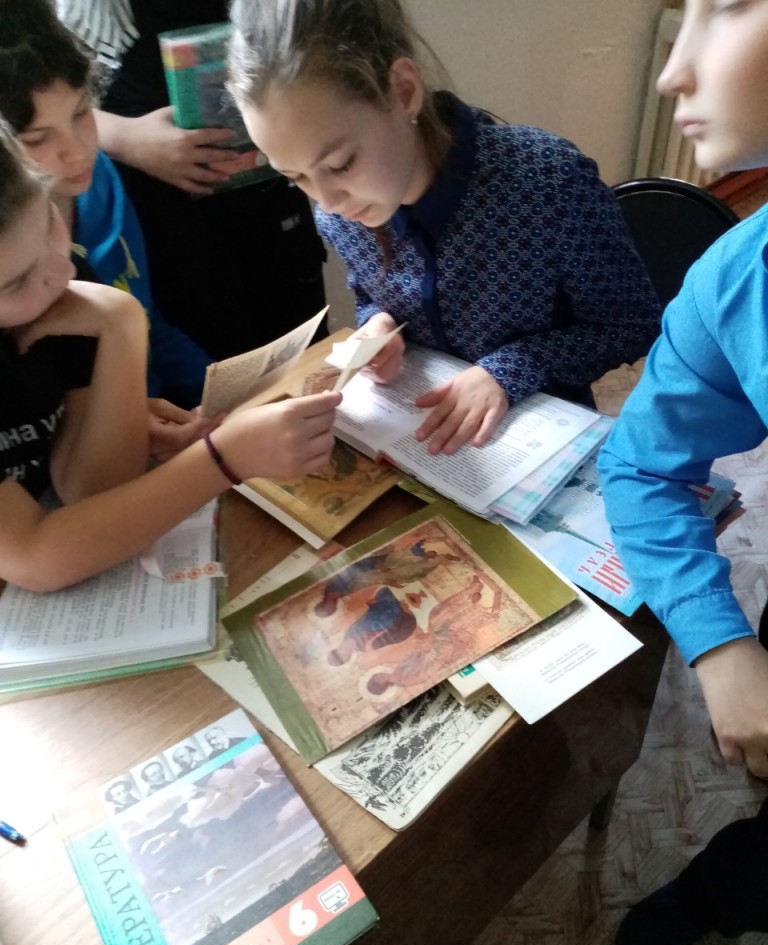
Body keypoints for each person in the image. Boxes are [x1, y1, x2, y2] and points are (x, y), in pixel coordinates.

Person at [226, 0, 661, 456]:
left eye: (340, 164)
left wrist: (508, 370)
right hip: (417, 438)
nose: (327, 202)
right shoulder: (341, 216)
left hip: (537, 441)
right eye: (295, 177)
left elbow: (633, 324)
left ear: (404, 91)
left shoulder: (548, 182)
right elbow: (373, 295)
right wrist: (378, 325)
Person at [597, 1, 768, 945]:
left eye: (727, 6)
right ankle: (727, 888)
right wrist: (721, 642)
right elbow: (641, 463)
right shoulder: (739, 274)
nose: (672, 71)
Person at [0, 119, 340, 593]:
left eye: (50, 224)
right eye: (16, 281)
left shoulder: (60, 287)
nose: (61, 273)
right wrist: (224, 459)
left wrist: (121, 322)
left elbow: (93, 489)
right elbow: (36, 558)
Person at [56, 0, 328, 362]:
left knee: (307, 354)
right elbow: (26, 100)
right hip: (160, 209)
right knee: (211, 364)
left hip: (268, 187)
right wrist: (125, 138)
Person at [0, 2, 214, 459]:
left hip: (150, 429)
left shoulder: (101, 184)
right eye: (37, 139)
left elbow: (148, 322)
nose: (79, 153)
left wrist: (223, 397)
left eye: (82, 113)